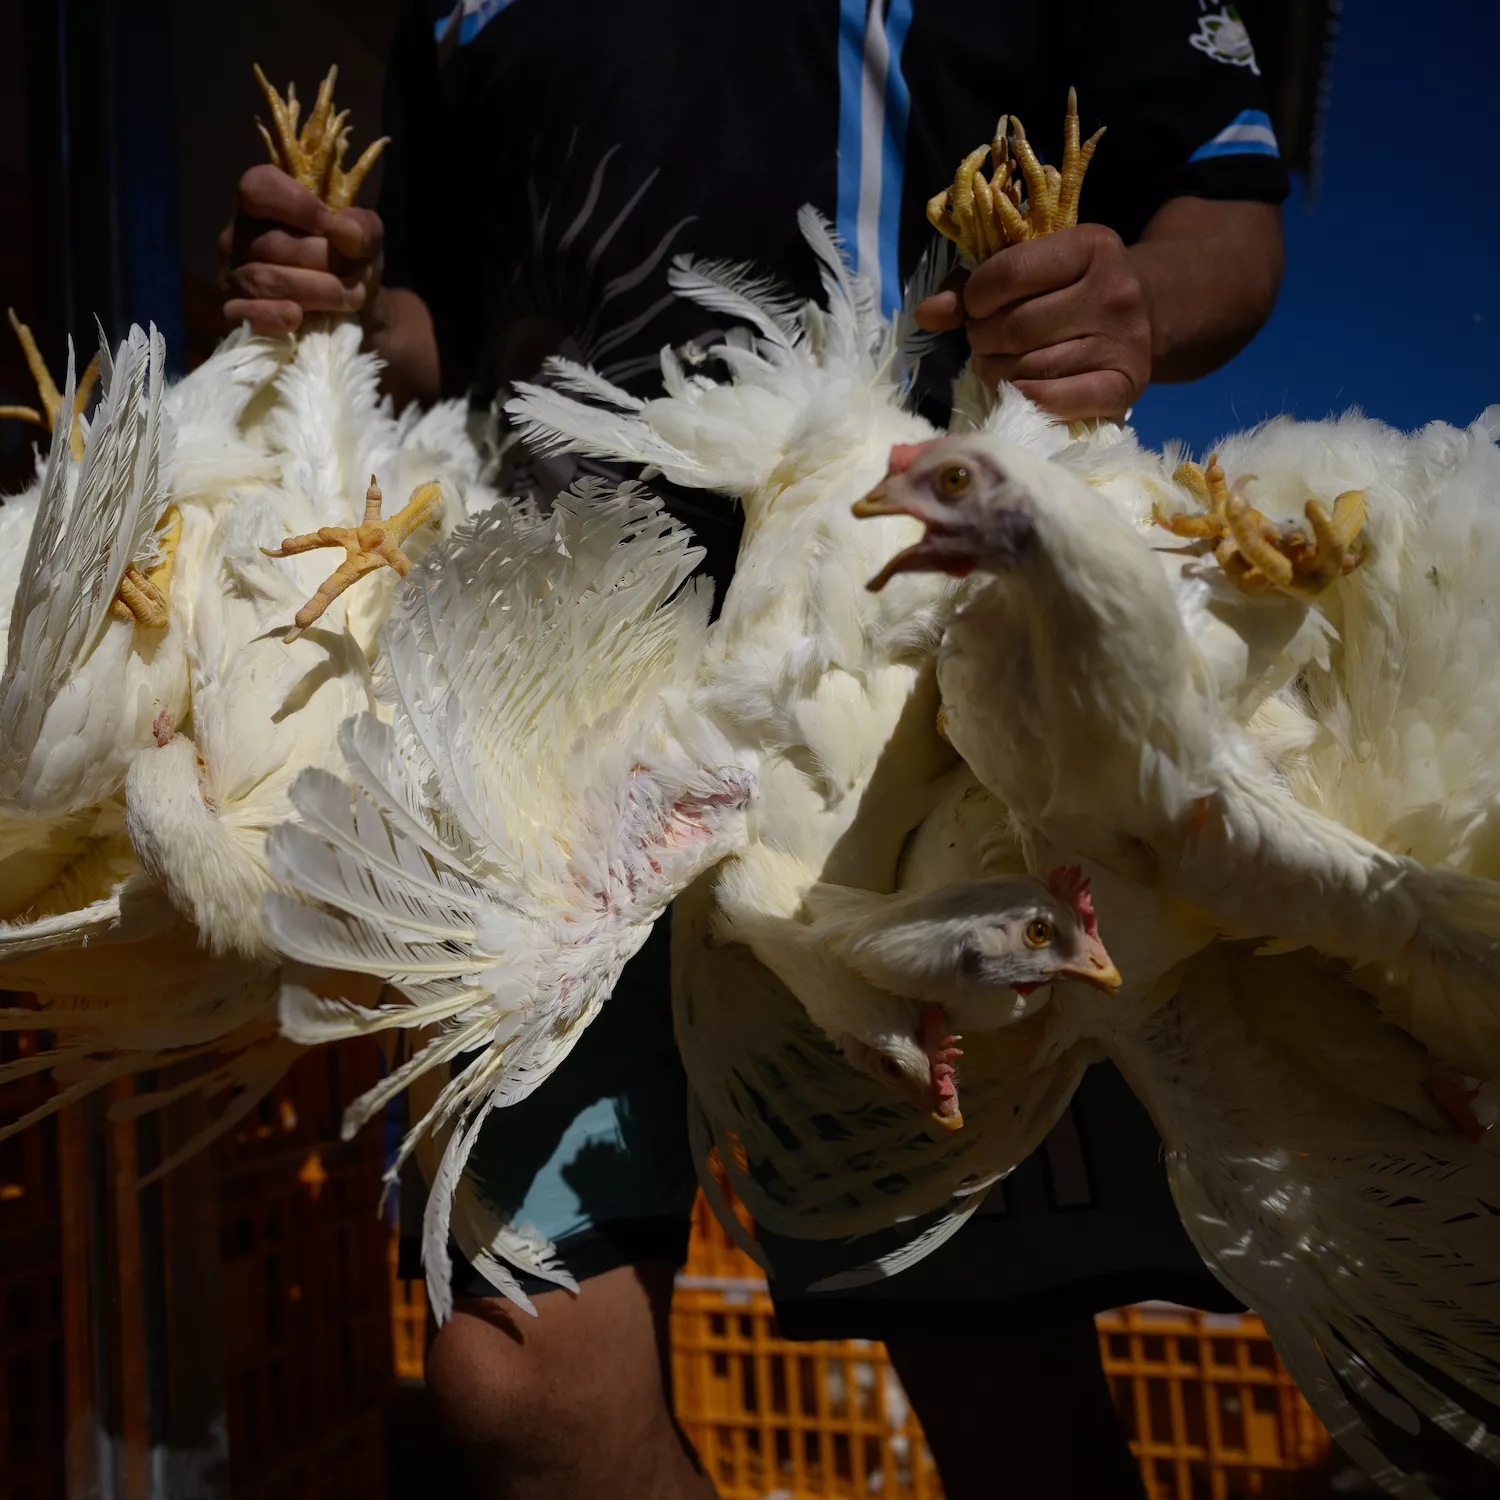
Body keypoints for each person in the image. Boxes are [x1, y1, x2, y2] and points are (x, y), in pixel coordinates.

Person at [221, 4, 1287, 1496]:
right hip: (550, 706)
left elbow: (1226, 205)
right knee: (516, 1394)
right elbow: (446, 329)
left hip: (901, 703)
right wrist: (337, 305)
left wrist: (1135, 304)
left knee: (997, 1376)